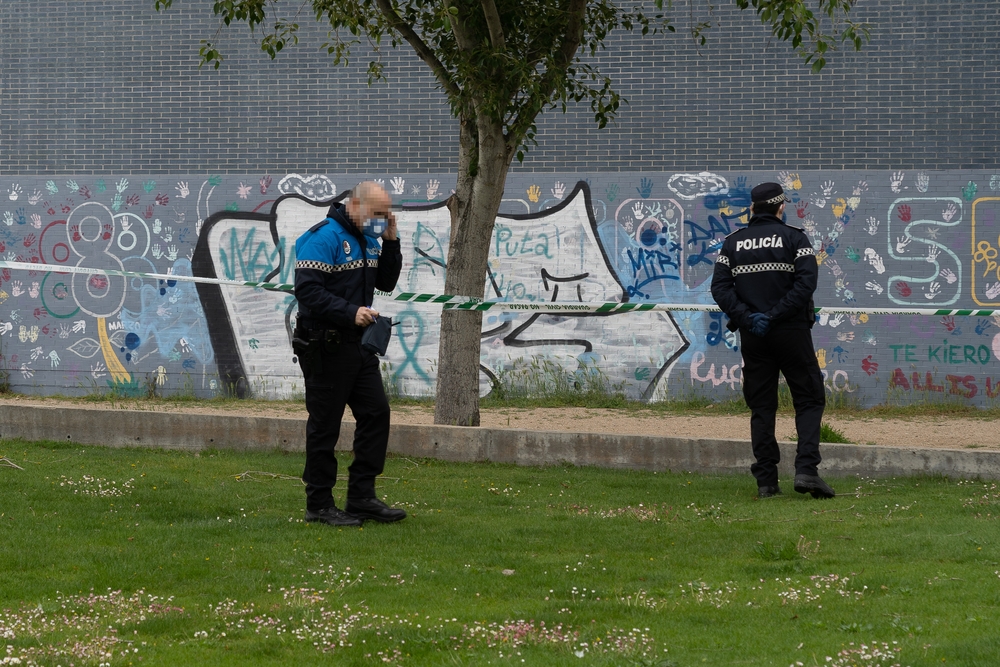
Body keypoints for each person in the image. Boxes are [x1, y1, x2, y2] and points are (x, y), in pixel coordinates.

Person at [710, 182, 835, 500]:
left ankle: (766, 481)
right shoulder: (796, 238)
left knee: (762, 406)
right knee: (809, 399)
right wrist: (776, 314)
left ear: (752, 209)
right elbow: (806, 283)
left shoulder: (732, 243)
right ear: (781, 208)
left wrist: (750, 318)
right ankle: (807, 470)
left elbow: (720, 288)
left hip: (754, 335)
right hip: (791, 331)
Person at [293, 181, 407, 526]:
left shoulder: (371, 240)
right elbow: (307, 291)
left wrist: (391, 241)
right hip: (324, 345)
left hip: (359, 346)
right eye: (377, 214)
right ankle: (319, 505)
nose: (381, 219)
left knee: (376, 414)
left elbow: (385, 284)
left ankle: (361, 497)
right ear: (354, 205)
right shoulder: (322, 237)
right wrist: (349, 312)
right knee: (325, 428)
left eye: (385, 214)